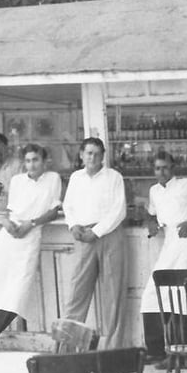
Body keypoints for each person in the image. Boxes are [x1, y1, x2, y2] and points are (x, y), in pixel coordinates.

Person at [0, 144, 62, 352]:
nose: (32, 165)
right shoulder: (17, 181)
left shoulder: (52, 179)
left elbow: (53, 212)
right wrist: (6, 223)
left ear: (44, 160)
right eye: (28, 161)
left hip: (30, 236)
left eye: (36, 160)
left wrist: (30, 224)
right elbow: (9, 211)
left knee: (16, 293)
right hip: (7, 238)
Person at [142, 152, 187, 363]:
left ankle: (180, 354)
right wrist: (151, 224)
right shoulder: (154, 191)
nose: (161, 172)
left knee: (181, 296)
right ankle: (156, 351)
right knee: (151, 295)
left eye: (165, 167)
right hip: (167, 244)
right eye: (157, 168)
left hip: (186, 242)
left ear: (172, 167)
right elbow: (151, 213)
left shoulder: (186, 185)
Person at [61, 137, 128, 349]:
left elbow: (119, 210)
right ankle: (67, 347)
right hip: (83, 236)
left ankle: (111, 349)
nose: (93, 157)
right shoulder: (76, 177)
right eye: (89, 153)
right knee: (77, 293)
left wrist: (97, 232)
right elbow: (68, 206)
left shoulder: (114, 177)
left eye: (97, 154)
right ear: (81, 154)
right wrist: (73, 225)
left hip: (108, 235)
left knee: (112, 293)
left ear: (103, 156)